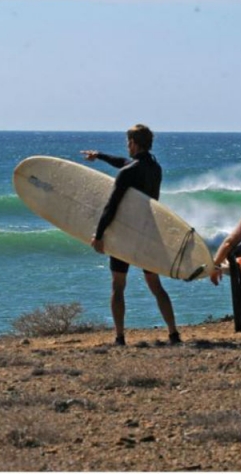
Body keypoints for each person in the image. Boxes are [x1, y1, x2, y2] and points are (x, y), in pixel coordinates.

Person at [81, 124, 181, 346]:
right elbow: (123, 162)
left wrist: (98, 235)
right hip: (148, 233)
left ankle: (119, 337)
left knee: (118, 285)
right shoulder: (155, 168)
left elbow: (111, 206)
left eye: (128, 142)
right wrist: (99, 156)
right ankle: (174, 333)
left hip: (126, 234)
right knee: (155, 285)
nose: (127, 146)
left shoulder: (128, 173)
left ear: (133, 143)